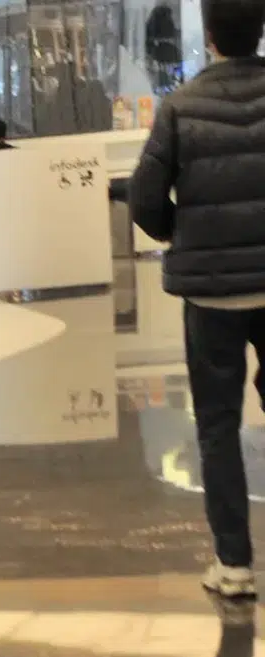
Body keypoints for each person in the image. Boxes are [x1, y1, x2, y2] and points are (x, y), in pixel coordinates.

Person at [129, 0, 265, 600]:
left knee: (216, 426)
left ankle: (234, 566)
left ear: (208, 36)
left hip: (212, 296)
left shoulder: (180, 105)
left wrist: (180, 235)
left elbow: (145, 198)